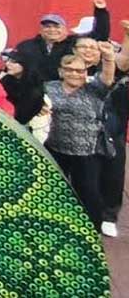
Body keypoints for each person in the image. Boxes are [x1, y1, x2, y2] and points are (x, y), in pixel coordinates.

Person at [45, 45, 117, 228]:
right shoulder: (49, 88)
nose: (74, 74)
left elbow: (107, 77)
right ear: (61, 71)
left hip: (86, 152)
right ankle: (55, 226)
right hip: (54, 148)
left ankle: (91, 232)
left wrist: (108, 57)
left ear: (86, 72)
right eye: (69, 70)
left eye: (79, 70)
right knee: (52, 190)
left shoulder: (94, 89)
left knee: (88, 193)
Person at [0, 48, 52, 142]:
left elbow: (20, 119)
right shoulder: (7, 79)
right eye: (8, 60)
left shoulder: (34, 92)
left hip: (15, 132)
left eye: (14, 62)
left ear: (26, 65)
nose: (7, 64)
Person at [15, 13, 78, 81]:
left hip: (63, 88)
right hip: (33, 87)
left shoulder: (74, 45)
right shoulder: (26, 46)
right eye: (47, 26)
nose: (52, 30)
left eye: (57, 27)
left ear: (65, 29)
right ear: (41, 29)